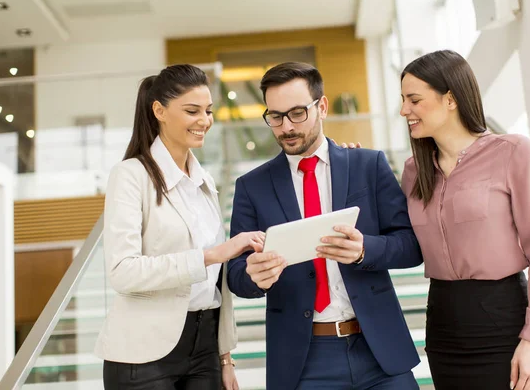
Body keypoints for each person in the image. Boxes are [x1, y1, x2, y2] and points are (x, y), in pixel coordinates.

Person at [227, 62, 424, 390]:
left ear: (322, 107)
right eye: (275, 117)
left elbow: (410, 244)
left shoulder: (368, 165)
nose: (286, 127)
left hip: (379, 351)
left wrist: (364, 250)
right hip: (304, 361)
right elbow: (235, 275)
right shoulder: (251, 187)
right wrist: (252, 277)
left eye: (297, 113)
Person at [399, 50, 530, 390]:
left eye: (414, 100)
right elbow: (399, 241)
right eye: (403, 100)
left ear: (450, 99)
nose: (404, 111)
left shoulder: (512, 152)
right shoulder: (414, 172)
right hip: (442, 323)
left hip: (501, 320)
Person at [94, 64, 265, 390]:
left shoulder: (204, 181)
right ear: (159, 110)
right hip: (142, 354)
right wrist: (211, 255)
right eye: (192, 111)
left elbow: (217, 285)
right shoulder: (130, 175)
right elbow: (122, 271)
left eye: (209, 111)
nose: (205, 121)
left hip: (205, 348)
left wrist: (225, 356)